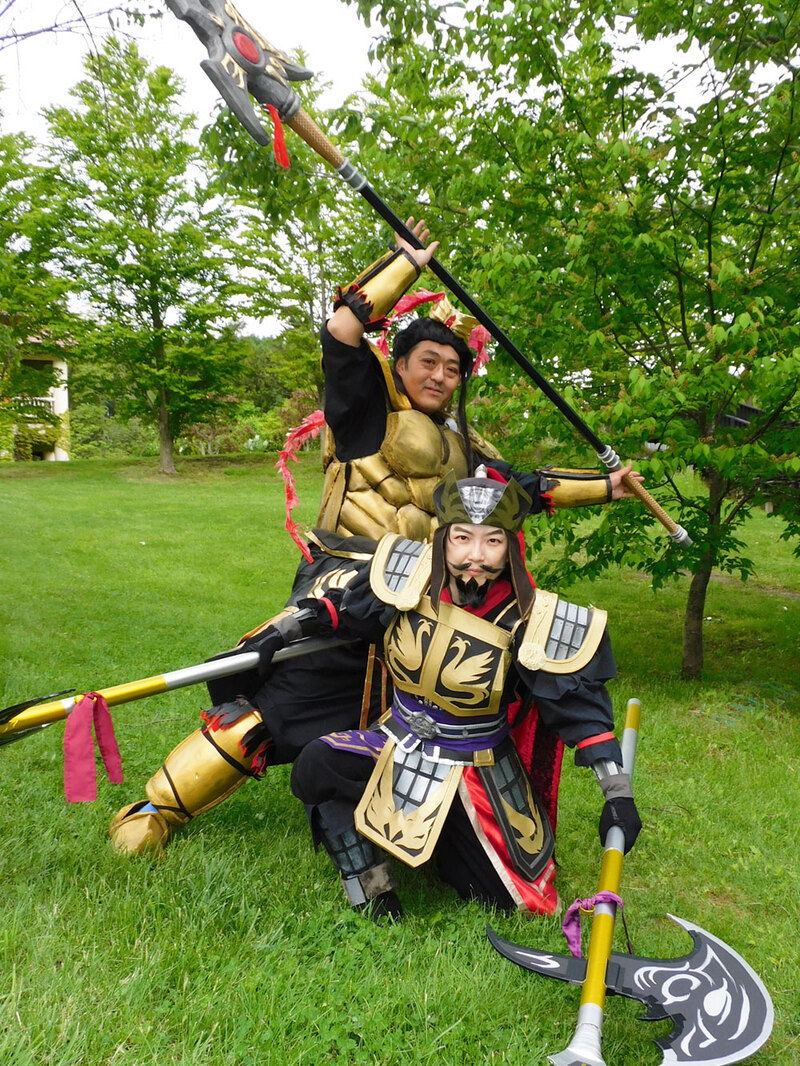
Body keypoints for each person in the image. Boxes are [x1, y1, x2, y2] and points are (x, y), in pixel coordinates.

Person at [109, 220, 642, 855]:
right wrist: (403, 264)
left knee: (426, 712)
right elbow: (342, 331)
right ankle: (158, 808)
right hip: (350, 579)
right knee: (277, 703)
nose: (440, 376)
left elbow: (526, 490)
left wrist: (608, 486)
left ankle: (379, 817)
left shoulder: (468, 450)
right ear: (401, 364)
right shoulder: (365, 409)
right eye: (428, 362)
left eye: (452, 368)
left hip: (424, 595)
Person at [289, 467, 642, 919]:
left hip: (476, 767)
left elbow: (580, 713)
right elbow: (348, 612)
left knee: (506, 902)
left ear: (510, 546)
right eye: (462, 538)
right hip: (395, 741)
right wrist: (288, 628)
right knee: (317, 765)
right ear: (443, 539)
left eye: (492, 541)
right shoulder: (408, 579)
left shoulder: (536, 621)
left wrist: (617, 794)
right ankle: (371, 888)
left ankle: (445, 839)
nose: (475, 555)